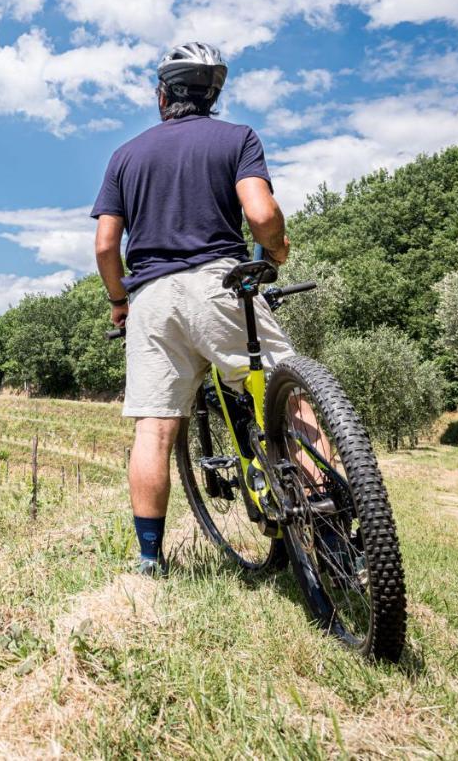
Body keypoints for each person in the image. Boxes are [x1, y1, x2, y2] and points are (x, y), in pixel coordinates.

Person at [90, 41, 296, 577]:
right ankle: (333, 523)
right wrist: (275, 252)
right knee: (293, 395)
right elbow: (261, 212)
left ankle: (150, 560)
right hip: (219, 284)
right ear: (212, 95)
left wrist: (119, 302)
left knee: (154, 431)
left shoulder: (125, 156)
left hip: (151, 301)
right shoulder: (237, 138)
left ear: (163, 96)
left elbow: (106, 247)